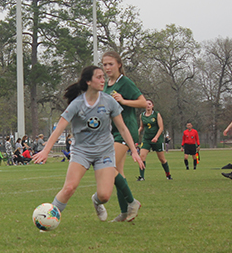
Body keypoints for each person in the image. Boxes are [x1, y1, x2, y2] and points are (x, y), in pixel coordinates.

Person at [31, 66, 144, 222]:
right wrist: (45, 151)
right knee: (69, 188)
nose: (103, 80)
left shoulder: (109, 102)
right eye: (99, 77)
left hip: (104, 151)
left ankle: (96, 202)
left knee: (104, 195)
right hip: (81, 151)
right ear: (88, 81)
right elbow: (59, 128)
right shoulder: (77, 104)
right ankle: (48, 218)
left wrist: (135, 151)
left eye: (103, 77)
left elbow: (123, 129)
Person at [102, 51, 145, 222]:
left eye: (110, 64)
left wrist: (124, 100)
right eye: (105, 65)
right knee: (117, 172)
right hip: (113, 131)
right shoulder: (107, 84)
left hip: (125, 130)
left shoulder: (124, 82)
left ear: (119, 64)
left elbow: (142, 102)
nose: (107, 68)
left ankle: (132, 202)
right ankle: (124, 213)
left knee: (107, 167)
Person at [137, 99, 172, 181]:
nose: (148, 105)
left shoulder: (156, 114)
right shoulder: (142, 115)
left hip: (157, 139)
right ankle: (141, 176)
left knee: (162, 159)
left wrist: (156, 137)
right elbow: (142, 127)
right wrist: (136, 133)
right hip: (146, 139)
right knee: (142, 156)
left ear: (152, 105)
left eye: (149, 104)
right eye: (146, 104)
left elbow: (161, 127)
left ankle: (168, 174)